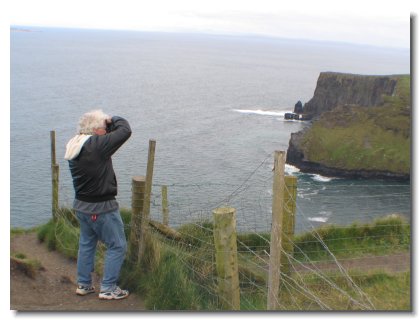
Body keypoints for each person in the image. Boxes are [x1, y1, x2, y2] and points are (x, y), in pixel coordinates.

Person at [64, 109, 132, 300]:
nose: (107, 131)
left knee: (86, 244)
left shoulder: (75, 143)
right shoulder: (96, 145)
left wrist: (105, 126)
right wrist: (113, 120)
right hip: (101, 208)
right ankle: (108, 288)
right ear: (96, 130)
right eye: (105, 128)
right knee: (117, 245)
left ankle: (84, 284)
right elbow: (125, 130)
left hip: (81, 205)